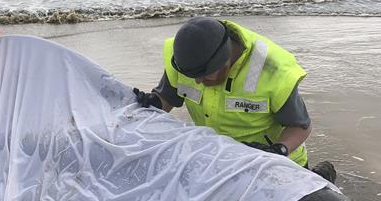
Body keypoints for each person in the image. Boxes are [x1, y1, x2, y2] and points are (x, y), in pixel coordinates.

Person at [133, 17, 335, 182]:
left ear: (227, 60)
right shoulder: (187, 58)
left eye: (205, 76)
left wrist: (277, 151)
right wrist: (153, 103)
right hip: (221, 161)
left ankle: (321, 175)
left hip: (277, 163)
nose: (197, 81)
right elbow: (167, 97)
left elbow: (300, 126)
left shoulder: (273, 71)